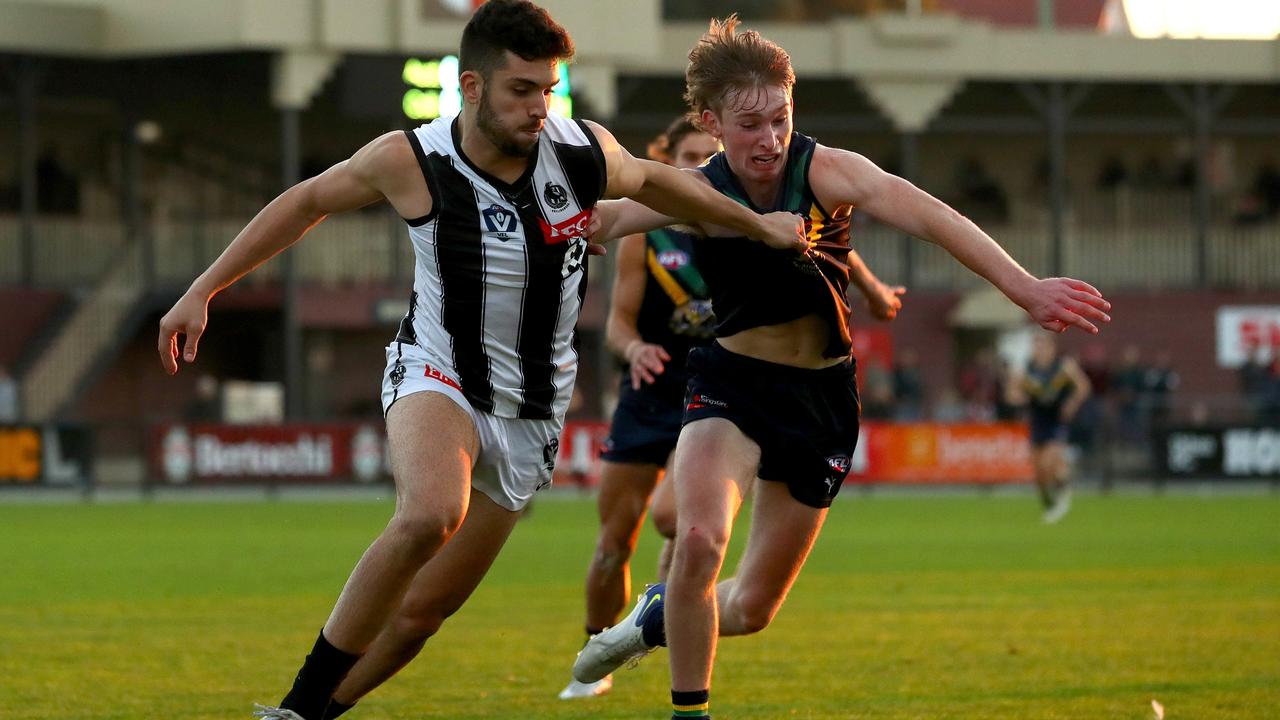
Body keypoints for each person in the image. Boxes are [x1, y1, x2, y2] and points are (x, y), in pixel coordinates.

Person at [155, 4, 808, 720]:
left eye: (549, 89)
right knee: (431, 513)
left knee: (419, 620)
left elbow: (659, 183)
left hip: (531, 413)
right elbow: (307, 201)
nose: (539, 107)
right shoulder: (413, 159)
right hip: (438, 372)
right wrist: (202, 289)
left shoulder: (581, 151)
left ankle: (309, 714)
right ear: (471, 87)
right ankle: (291, 709)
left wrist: (756, 224)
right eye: (521, 90)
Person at [568, 17, 1111, 720]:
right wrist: (568, 210)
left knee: (755, 608)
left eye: (781, 119)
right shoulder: (695, 192)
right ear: (710, 120)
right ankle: (690, 712)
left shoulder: (825, 171)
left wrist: (1024, 287)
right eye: (750, 124)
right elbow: (606, 216)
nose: (769, 139)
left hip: (820, 399)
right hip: (728, 385)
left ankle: (651, 620)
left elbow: (931, 215)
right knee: (699, 540)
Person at [559, 118, 904, 701]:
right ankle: (629, 651)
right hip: (675, 385)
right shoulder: (666, 218)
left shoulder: (768, 197)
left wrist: (868, 288)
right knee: (639, 536)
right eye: (689, 159)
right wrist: (631, 340)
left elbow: (825, 240)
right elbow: (615, 279)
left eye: (707, 153)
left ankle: (660, 611)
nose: (704, 165)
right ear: (672, 164)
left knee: (729, 584)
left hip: (772, 386)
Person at [1007, 334, 1091, 524]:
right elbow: (1011, 393)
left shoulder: (1063, 367)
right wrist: (1018, 397)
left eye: (1042, 345)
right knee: (1039, 474)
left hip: (1056, 421)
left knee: (1048, 463)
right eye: (1036, 345)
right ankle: (1050, 503)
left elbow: (1083, 386)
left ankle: (1063, 491)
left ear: (1052, 347)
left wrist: (1071, 404)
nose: (1039, 349)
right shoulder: (1026, 369)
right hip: (1037, 422)